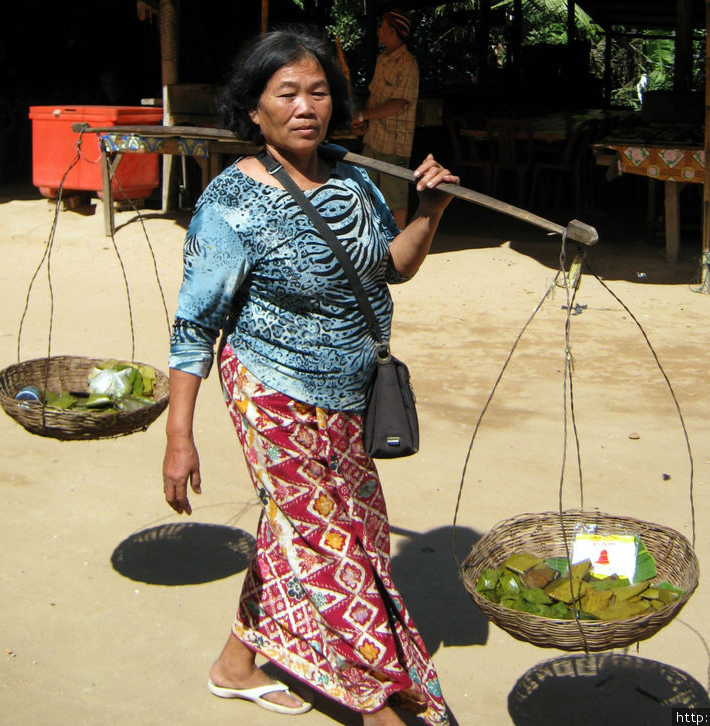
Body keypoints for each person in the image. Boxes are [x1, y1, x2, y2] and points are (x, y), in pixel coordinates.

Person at [161, 27, 458, 726]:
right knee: (331, 549)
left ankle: (235, 664)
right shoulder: (231, 203)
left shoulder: (354, 179)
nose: (306, 107)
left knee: (333, 529)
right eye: (286, 93)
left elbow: (392, 266)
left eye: (318, 92)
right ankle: (377, 702)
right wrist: (179, 436)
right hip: (270, 390)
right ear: (254, 110)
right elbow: (194, 327)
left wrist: (431, 211)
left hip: (349, 394)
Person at [352, 9, 420, 229]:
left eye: (382, 27)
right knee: (366, 191)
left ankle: (400, 247)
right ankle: (372, 241)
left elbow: (399, 103)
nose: (379, 31)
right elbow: (375, 97)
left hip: (393, 144)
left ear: (392, 32)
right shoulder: (383, 59)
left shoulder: (408, 64)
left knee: (396, 200)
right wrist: (364, 123)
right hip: (374, 139)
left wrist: (364, 114)